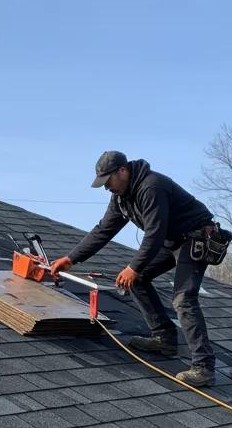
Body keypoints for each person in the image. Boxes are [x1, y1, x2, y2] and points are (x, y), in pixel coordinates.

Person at [50, 150, 218, 386]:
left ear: (123, 170)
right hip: (171, 240)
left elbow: (155, 233)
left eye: (108, 181)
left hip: (195, 237)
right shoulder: (121, 197)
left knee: (183, 299)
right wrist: (71, 259)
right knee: (136, 281)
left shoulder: (151, 186)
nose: (107, 187)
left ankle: (204, 367)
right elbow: (103, 230)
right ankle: (164, 338)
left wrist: (134, 266)